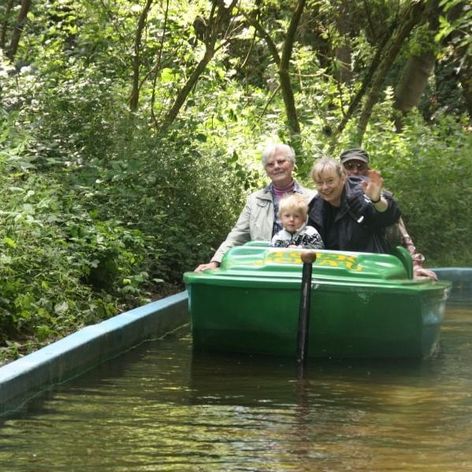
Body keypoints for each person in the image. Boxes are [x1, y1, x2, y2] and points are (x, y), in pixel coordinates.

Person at [195, 143, 316, 271]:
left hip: (301, 267)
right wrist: (215, 262)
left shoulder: (312, 198)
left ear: (292, 164)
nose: (276, 166)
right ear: (266, 170)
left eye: (281, 161)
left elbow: (321, 239)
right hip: (261, 268)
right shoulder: (255, 200)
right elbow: (238, 235)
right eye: (270, 164)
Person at [339, 148, 438, 280]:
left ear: (368, 170)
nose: (355, 171)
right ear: (341, 171)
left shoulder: (378, 193)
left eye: (360, 166)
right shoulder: (329, 194)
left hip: (376, 260)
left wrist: (414, 263)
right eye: (349, 166)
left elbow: (394, 218)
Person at [308, 157, 401, 253]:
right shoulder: (315, 206)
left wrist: (376, 200)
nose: (325, 187)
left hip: (368, 262)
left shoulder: (360, 193)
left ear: (342, 178)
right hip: (331, 264)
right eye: (320, 183)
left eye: (330, 181)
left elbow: (390, 216)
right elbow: (310, 239)